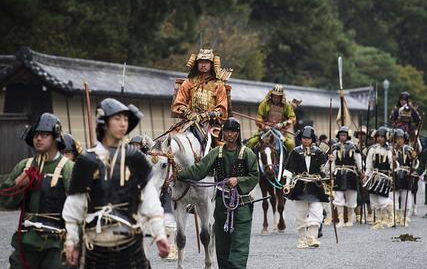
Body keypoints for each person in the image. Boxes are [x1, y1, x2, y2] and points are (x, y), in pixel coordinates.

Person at [62, 98, 169, 268]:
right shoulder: (86, 161)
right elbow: (74, 206)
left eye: (126, 119)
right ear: (104, 123)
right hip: (95, 247)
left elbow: (151, 201)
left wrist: (159, 234)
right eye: (117, 119)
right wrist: (71, 240)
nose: (123, 124)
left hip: (131, 245)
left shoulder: (136, 159)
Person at [177, 118, 259, 269]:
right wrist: (178, 175)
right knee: (221, 247)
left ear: (238, 133)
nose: (229, 134)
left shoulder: (247, 153)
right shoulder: (217, 153)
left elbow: (255, 176)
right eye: (226, 131)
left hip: (241, 205)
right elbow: (199, 169)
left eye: (233, 131)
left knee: (239, 247)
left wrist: (238, 180)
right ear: (223, 133)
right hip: (221, 205)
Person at [0, 113, 74, 268]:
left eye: (44, 135)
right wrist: (19, 183)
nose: (38, 139)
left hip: (56, 242)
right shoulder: (25, 166)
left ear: (55, 137)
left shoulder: (68, 168)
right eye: (35, 135)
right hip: (26, 240)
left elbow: (79, 208)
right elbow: (5, 201)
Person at [283, 126, 328, 249]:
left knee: (317, 212)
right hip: (300, 184)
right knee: (300, 213)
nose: (306, 140)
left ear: (312, 139)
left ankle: (312, 237)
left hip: (315, 185)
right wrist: (287, 183)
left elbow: (325, 171)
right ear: (300, 138)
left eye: (308, 138)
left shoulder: (319, 152)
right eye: (303, 138)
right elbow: (289, 169)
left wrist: (330, 162)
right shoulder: (295, 152)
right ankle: (302, 239)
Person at [171, 48, 228, 124]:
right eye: (200, 62)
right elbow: (178, 104)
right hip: (190, 121)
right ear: (196, 64)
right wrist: (189, 114)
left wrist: (207, 115)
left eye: (207, 62)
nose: (203, 65)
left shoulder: (219, 85)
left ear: (212, 64)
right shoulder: (188, 82)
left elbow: (222, 109)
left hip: (211, 124)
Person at [246, 84, 296, 153]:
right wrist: (264, 126)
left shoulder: (286, 105)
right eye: (274, 96)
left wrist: (282, 124)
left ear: (281, 97)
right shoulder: (264, 103)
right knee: (251, 142)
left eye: (278, 97)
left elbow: (292, 118)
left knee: (290, 145)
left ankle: (290, 163)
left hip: (280, 132)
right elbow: (259, 118)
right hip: (264, 131)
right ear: (271, 95)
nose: (276, 99)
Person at [329, 126, 362, 227]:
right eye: (341, 135)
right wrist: (330, 171)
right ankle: (341, 220)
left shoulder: (353, 147)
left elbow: (358, 160)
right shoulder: (335, 147)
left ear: (348, 136)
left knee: (351, 196)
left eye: (344, 135)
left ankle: (350, 218)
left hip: (351, 174)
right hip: (338, 174)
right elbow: (333, 162)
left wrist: (361, 171)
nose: (342, 137)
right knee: (338, 197)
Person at [364, 127, 394, 229]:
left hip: (384, 177)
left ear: (386, 138)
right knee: (374, 200)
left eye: (382, 136)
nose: (380, 138)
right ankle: (377, 221)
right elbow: (369, 164)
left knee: (383, 200)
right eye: (378, 136)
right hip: (374, 176)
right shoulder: (372, 149)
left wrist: (394, 162)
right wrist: (366, 175)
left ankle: (391, 217)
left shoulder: (389, 150)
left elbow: (393, 165)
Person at [393, 129, 418, 226]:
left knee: (406, 197)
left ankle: (405, 216)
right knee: (394, 196)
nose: (399, 140)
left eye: (401, 138)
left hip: (406, 175)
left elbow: (415, 164)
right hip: (395, 174)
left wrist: (414, 158)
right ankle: (395, 216)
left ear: (404, 139)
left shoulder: (409, 149)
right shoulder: (392, 150)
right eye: (397, 138)